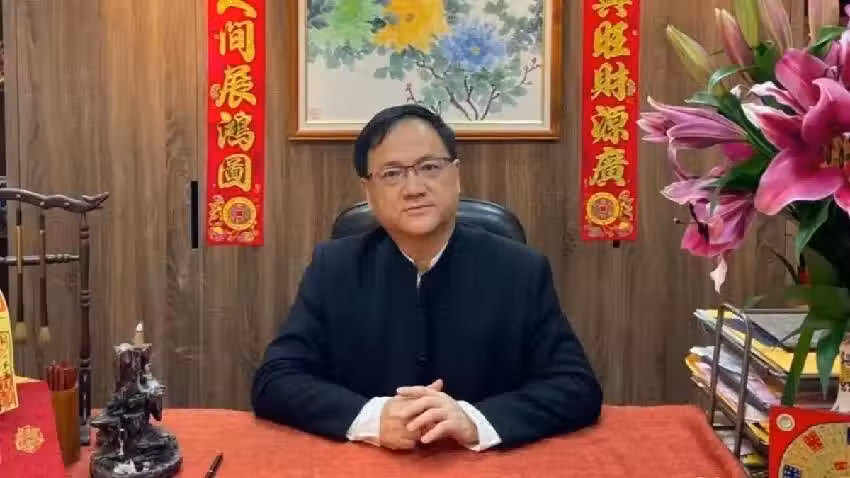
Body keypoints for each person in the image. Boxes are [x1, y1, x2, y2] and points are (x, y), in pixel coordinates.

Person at [251, 104, 602, 451]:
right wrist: (373, 417)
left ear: (456, 175)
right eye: (392, 174)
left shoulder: (520, 270)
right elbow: (275, 379)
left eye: (430, 167)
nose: (414, 188)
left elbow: (576, 386)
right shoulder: (334, 268)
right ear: (368, 192)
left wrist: (475, 420)